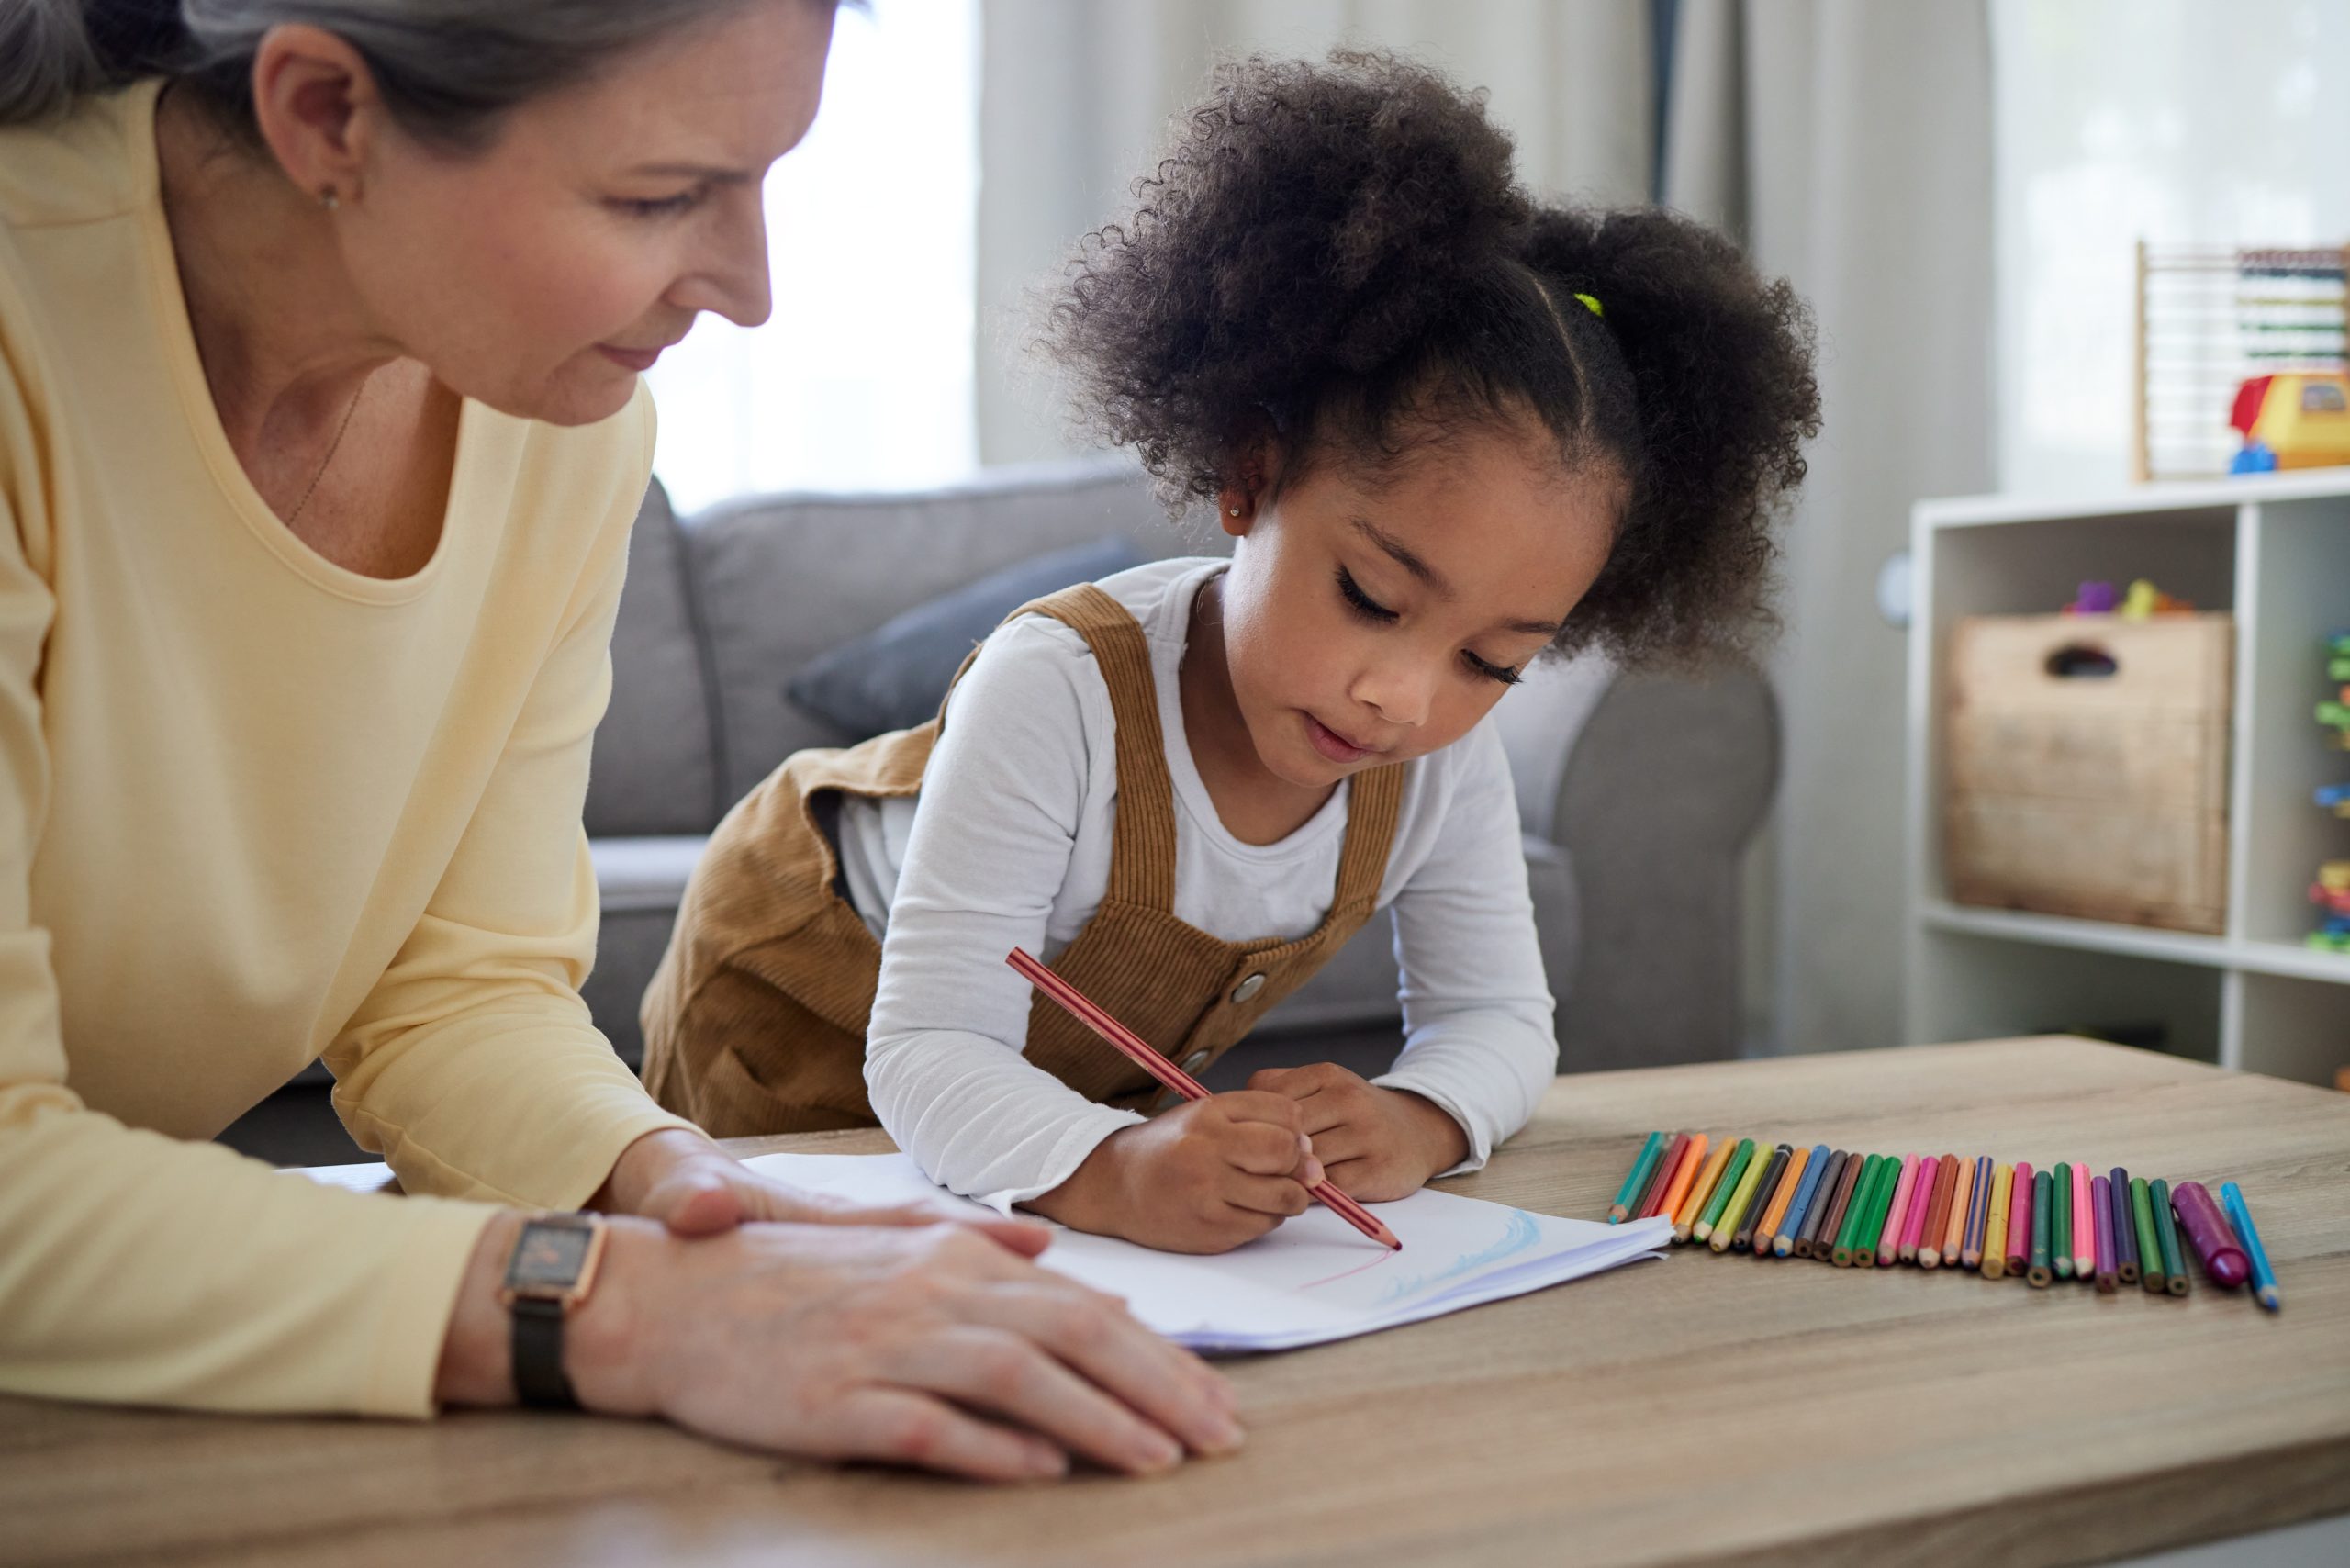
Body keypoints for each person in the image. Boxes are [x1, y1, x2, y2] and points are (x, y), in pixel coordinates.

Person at [0, 0, 1242, 1483]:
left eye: (762, 180)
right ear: (327, 115)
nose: (749, 287)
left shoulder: (559, 418)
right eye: (661, 197)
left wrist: (683, 1198)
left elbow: (453, 992)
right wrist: (621, 1310)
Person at [638, 52, 1821, 1253]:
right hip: (800, 1010)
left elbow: (1503, 1018)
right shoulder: (1055, 689)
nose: (1402, 697)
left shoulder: (1433, 762)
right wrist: (1108, 1172)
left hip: (1030, 1085)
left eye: (1495, 663)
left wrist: (1418, 1116)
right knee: (771, 1269)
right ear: (1251, 479)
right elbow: (935, 1045)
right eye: (1370, 595)